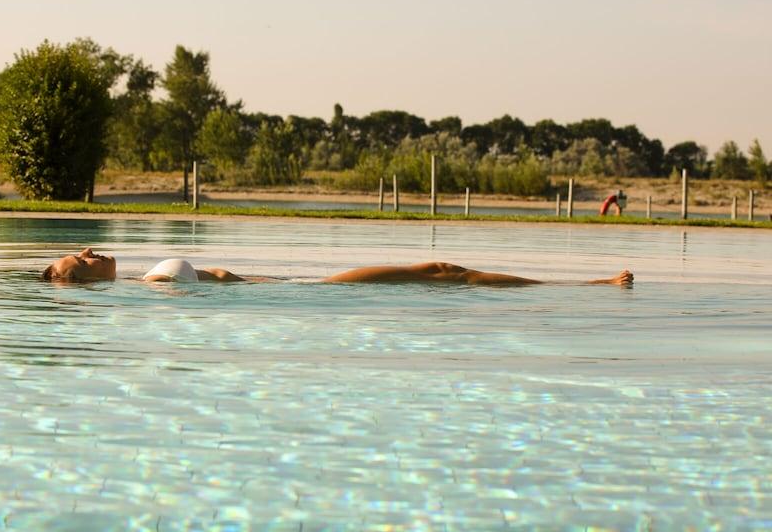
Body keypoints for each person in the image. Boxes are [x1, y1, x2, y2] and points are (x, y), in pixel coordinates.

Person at [41, 248, 633, 286]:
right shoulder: (146, 287)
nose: (95, 252)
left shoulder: (139, 286)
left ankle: (589, 284)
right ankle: (590, 285)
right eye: (83, 258)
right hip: (303, 297)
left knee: (440, 274)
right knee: (438, 272)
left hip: (291, 290)